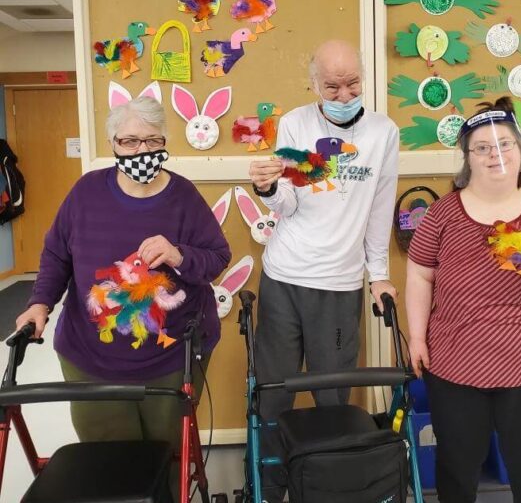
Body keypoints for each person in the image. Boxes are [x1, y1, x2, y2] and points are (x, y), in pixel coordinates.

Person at [15, 95, 231, 497]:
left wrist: (178, 254)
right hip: (91, 356)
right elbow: (56, 254)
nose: (141, 151)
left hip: (171, 356)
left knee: (165, 457)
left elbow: (218, 257)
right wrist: (39, 304)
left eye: (151, 141)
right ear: (112, 143)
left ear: (165, 142)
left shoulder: (183, 196)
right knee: (108, 460)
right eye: (129, 141)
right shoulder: (86, 193)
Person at [405, 97, 521, 503]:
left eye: (504, 144)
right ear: (468, 157)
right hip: (454, 364)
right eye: (482, 147)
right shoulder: (442, 214)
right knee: (456, 466)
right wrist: (417, 338)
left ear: (520, 149)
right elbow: (419, 274)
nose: (495, 155)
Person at [249, 39, 399, 501]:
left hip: (338, 283)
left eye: (353, 83)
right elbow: (289, 203)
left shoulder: (382, 133)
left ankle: (324, 488)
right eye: (331, 86)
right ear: (314, 84)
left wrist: (379, 275)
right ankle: (272, 489)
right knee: (273, 394)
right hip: (284, 276)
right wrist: (269, 189)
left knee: (332, 398)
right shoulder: (295, 123)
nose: (343, 94)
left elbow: (379, 209)